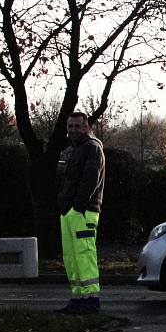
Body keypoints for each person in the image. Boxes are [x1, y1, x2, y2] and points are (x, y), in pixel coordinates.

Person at [56, 111, 106, 314]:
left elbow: (90, 180)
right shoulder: (76, 149)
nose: (73, 130)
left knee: (84, 255)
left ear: (87, 127)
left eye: (77, 126)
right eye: (70, 126)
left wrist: (77, 206)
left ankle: (90, 299)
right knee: (72, 256)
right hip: (71, 212)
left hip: (82, 212)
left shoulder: (91, 148)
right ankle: (78, 297)